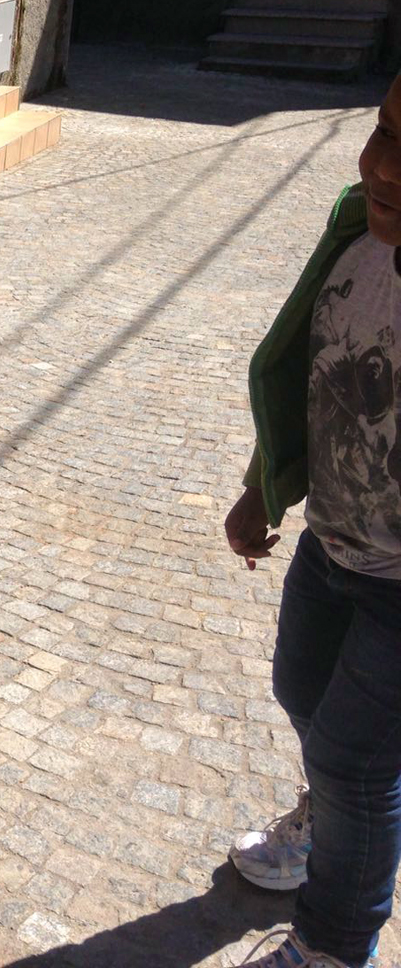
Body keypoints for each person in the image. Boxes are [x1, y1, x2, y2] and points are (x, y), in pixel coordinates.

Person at [225, 71, 401, 968]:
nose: (380, 164)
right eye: (383, 128)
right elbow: (302, 366)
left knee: (354, 760)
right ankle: (330, 823)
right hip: (330, 539)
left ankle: (333, 947)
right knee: (301, 693)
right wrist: (264, 480)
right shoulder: (354, 229)